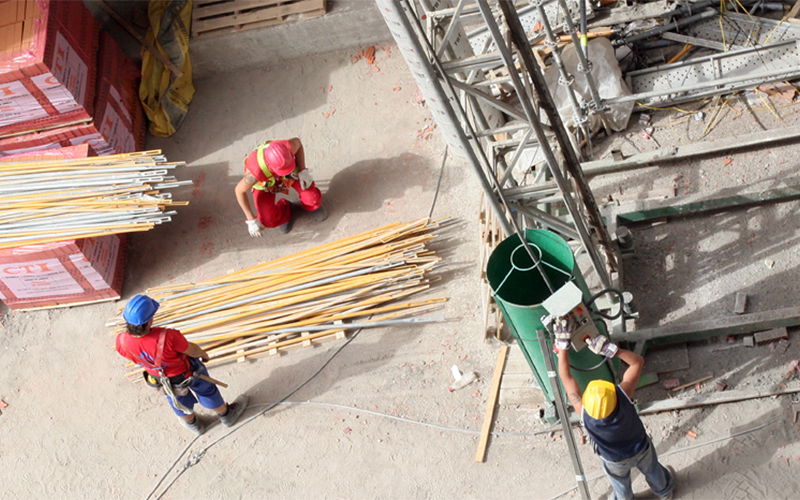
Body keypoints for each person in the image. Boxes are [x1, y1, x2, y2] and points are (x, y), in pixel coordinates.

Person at [555, 325, 675, 500]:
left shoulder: (584, 413)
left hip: (613, 460)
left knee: (620, 485)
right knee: (653, 470)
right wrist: (612, 350)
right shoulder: (622, 395)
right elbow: (637, 362)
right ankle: (664, 493)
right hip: (641, 448)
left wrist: (562, 347)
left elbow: (566, 377)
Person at [115, 295, 248, 435]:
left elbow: (134, 356)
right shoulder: (167, 337)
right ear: (148, 322)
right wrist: (203, 354)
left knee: (177, 400)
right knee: (207, 391)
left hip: (161, 379)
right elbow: (192, 350)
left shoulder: (121, 341)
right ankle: (227, 416)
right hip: (188, 372)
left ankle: (194, 425)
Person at [234, 137, 327, 236]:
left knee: (312, 198)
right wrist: (250, 219)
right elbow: (239, 191)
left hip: (289, 175)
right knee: (267, 219)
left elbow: (298, 144)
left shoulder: (287, 147)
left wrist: (302, 170)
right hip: (265, 183)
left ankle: (312, 206)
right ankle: (285, 210)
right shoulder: (254, 173)